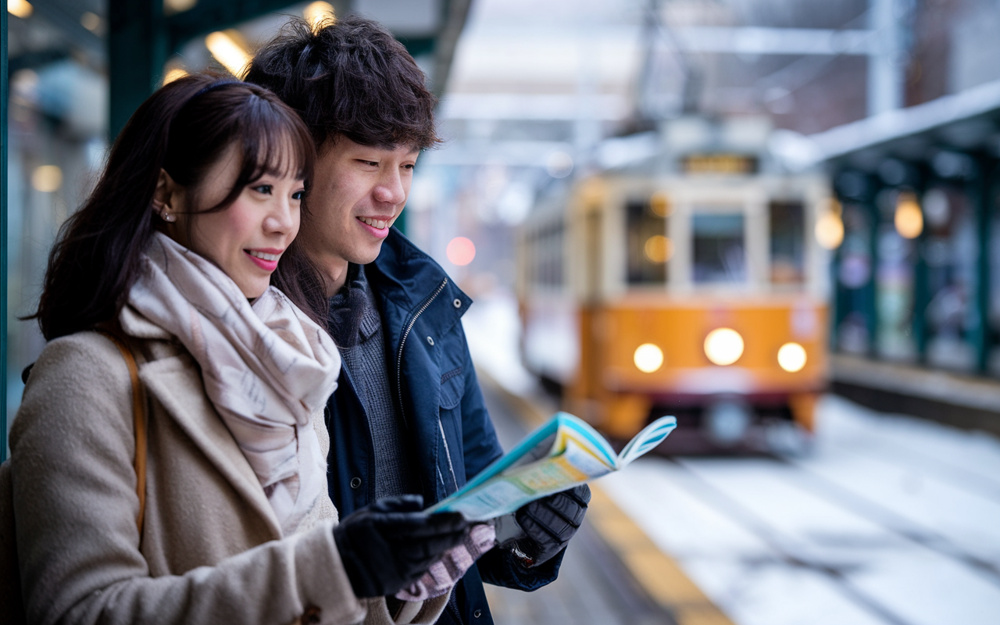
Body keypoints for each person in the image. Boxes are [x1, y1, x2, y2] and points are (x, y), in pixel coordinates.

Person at [5, 73, 475, 625]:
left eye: (294, 194)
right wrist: (332, 570)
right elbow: (78, 612)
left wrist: (395, 586)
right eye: (259, 190)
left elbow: (319, 588)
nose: (283, 223)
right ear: (166, 193)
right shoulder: (86, 376)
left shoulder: (293, 356)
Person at [246, 16, 591, 625]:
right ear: (290, 159)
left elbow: (473, 506)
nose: (394, 193)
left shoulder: (426, 308)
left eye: (406, 165)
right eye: (369, 162)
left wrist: (533, 524)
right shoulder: (238, 328)